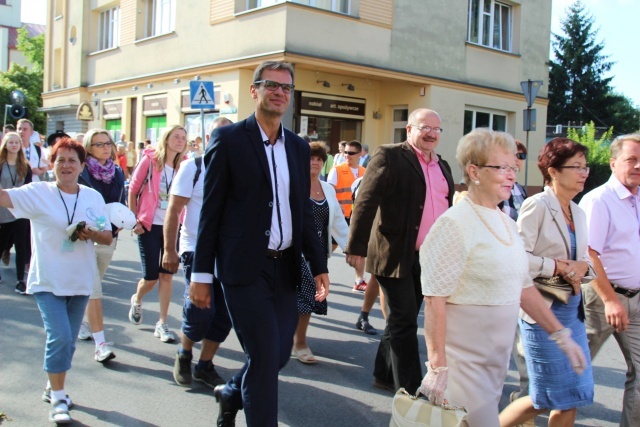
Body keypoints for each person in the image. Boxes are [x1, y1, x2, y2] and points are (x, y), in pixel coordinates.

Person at [189, 61, 329, 426]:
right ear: (255, 91)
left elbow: (301, 210)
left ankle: (231, 392)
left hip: (284, 268)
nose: (280, 92)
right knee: (266, 356)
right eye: (272, 85)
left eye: (287, 87)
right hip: (243, 268)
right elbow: (211, 212)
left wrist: (319, 265)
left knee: (279, 355)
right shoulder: (229, 140)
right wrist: (201, 274)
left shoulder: (298, 147)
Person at [419, 128, 587, 426]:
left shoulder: (505, 222)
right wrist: (438, 367)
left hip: (496, 362)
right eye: (502, 167)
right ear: (474, 171)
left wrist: (561, 335)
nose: (512, 175)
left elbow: (523, 286)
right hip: (462, 362)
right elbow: (434, 301)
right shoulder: (454, 224)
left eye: (514, 167)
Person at [0, 138, 112, 424]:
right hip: (48, 279)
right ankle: (60, 399)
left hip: (80, 280)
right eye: (60, 160)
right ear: (52, 165)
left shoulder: (92, 197)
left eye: (72, 160)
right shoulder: (38, 192)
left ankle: (53, 385)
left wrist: (92, 233)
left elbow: (107, 235)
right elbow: (4, 197)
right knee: (60, 337)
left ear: (82, 166)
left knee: (69, 342)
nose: (66, 165)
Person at [345, 108, 454, 393]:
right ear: (409, 130)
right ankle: (411, 388)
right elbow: (367, 202)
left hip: (429, 256)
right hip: (393, 253)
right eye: (424, 127)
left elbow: (447, 210)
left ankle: (383, 373)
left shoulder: (442, 166)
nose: (431, 133)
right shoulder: (390, 155)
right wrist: (356, 247)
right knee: (405, 319)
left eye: (436, 129)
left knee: (401, 318)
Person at [499, 137, 594, 427]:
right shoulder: (537, 205)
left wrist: (580, 267)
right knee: (548, 396)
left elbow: (587, 265)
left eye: (585, 167)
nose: (583, 173)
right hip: (542, 312)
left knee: (575, 394)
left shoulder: (577, 211)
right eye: (576, 167)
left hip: (572, 314)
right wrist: (556, 267)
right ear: (552, 171)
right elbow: (516, 258)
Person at [163, 117, 233, 388]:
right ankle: (184, 353)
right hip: (195, 248)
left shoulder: (239, 170)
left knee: (224, 314)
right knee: (200, 310)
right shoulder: (193, 167)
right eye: (217, 136)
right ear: (207, 139)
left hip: (228, 254)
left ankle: (205, 364)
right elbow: (173, 211)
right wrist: (169, 250)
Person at [579, 133, 640, 427]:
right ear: (614, 163)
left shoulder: (639, 198)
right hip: (601, 300)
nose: (638, 166)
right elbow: (589, 255)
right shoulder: (599, 200)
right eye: (632, 159)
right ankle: (525, 412)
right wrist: (610, 300)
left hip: (636, 299)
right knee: (572, 372)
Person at [128, 125, 187, 343]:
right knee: (151, 278)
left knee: (167, 276)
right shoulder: (151, 161)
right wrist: (133, 219)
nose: (180, 140)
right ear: (167, 139)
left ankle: (162, 323)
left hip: (173, 227)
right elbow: (133, 189)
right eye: (176, 136)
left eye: (183, 137)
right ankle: (138, 298)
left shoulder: (184, 165)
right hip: (149, 224)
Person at [292, 141, 349, 364]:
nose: (314, 162)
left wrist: (352, 248)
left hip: (317, 254)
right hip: (293, 252)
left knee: (307, 295)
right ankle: (297, 342)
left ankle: (298, 341)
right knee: (298, 296)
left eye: (318, 159)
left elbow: (337, 222)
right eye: (310, 158)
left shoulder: (327, 189)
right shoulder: (293, 185)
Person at [76, 129, 126, 363]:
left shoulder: (116, 171)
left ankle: (80, 322)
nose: (106, 147)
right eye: (99, 144)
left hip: (109, 235)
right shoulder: (82, 170)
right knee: (94, 288)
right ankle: (101, 344)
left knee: (92, 285)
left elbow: (120, 200)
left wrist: (122, 220)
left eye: (108, 143)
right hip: (86, 236)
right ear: (89, 148)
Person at [327, 140, 367, 292]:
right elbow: (330, 192)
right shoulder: (337, 170)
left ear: (359, 154)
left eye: (351, 153)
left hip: (357, 217)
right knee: (329, 247)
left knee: (359, 249)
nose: (347, 156)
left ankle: (359, 280)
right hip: (339, 216)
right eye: (345, 153)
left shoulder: (365, 172)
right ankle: (317, 272)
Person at [0, 132, 32, 294]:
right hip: (3, 210)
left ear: (20, 146)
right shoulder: (1, 164)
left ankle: (21, 280)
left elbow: (29, 189)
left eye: (16, 142)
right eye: (10, 142)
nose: (13, 145)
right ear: (5, 145)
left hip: (20, 211)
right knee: (2, 243)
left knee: (21, 246)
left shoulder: (25, 166)